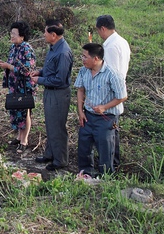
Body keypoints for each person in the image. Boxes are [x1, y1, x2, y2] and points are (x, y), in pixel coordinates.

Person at [75, 43, 127, 176]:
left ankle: (106, 177)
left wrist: (104, 107)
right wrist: (80, 112)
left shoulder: (112, 74)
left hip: (106, 118)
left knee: (105, 148)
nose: (83, 59)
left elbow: (122, 96)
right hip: (88, 116)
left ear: (96, 58)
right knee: (84, 146)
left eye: (85, 57)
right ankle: (85, 174)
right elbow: (80, 90)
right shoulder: (83, 71)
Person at [30, 20, 73, 171]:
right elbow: (51, 69)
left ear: (53, 35)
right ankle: (50, 153)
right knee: (50, 125)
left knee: (57, 127)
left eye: (45, 32)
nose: (43, 34)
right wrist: (40, 72)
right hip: (50, 91)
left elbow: (60, 79)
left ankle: (60, 159)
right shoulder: (54, 47)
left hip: (58, 94)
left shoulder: (63, 52)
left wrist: (39, 80)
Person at [0, 21, 37, 154]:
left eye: (14, 34)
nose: (11, 36)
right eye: (11, 33)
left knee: (25, 112)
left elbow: (27, 70)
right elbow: (12, 64)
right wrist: (3, 64)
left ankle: (24, 140)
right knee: (16, 110)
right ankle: (18, 137)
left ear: (22, 36)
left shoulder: (27, 49)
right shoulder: (14, 47)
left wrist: (9, 66)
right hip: (14, 85)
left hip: (25, 86)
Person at [96, 15, 131, 167]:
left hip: (110, 96)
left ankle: (110, 167)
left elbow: (108, 73)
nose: (99, 34)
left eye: (98, 31)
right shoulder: (122, 42)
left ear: (103, 28)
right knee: (113, 133)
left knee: (107, 136)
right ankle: (114, 164)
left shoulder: (109, 47)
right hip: (118, 92)